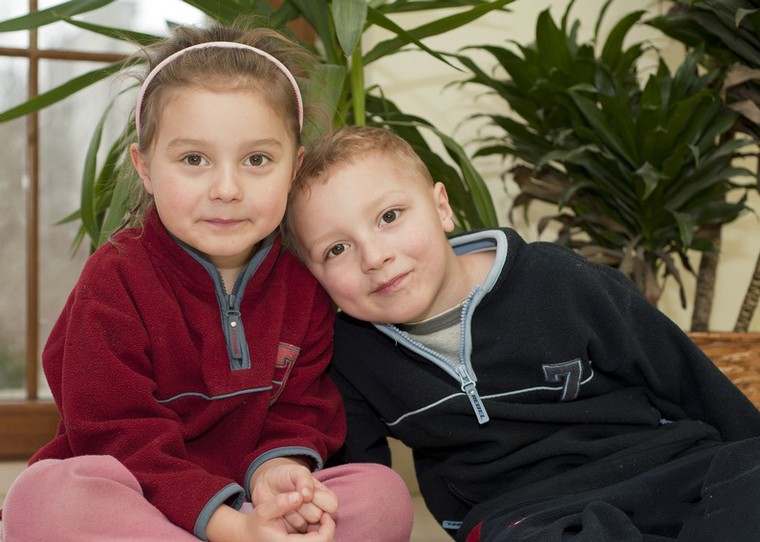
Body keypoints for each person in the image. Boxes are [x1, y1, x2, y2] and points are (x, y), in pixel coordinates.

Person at [0, 25, 412, 542]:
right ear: (145, 167)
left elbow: (301, 410)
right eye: (194, 159)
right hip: (140, 500)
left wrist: (277, 476)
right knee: (43, 495)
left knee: (381, 495)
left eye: (257, 160)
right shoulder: (115, 279)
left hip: (247, 499)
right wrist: (231, 528)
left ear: (294, 167)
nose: (226, 189)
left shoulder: (304, 286)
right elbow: (117, 436)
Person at [284, 125, 760, 542]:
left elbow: (685, 375)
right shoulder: (350, 353)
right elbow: (358, 481)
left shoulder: (561, 281)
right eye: (337, 249)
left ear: (442, 208)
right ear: (312, 276)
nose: (374, 257)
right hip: (525, 516)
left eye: (389, 217)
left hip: (666, 465)